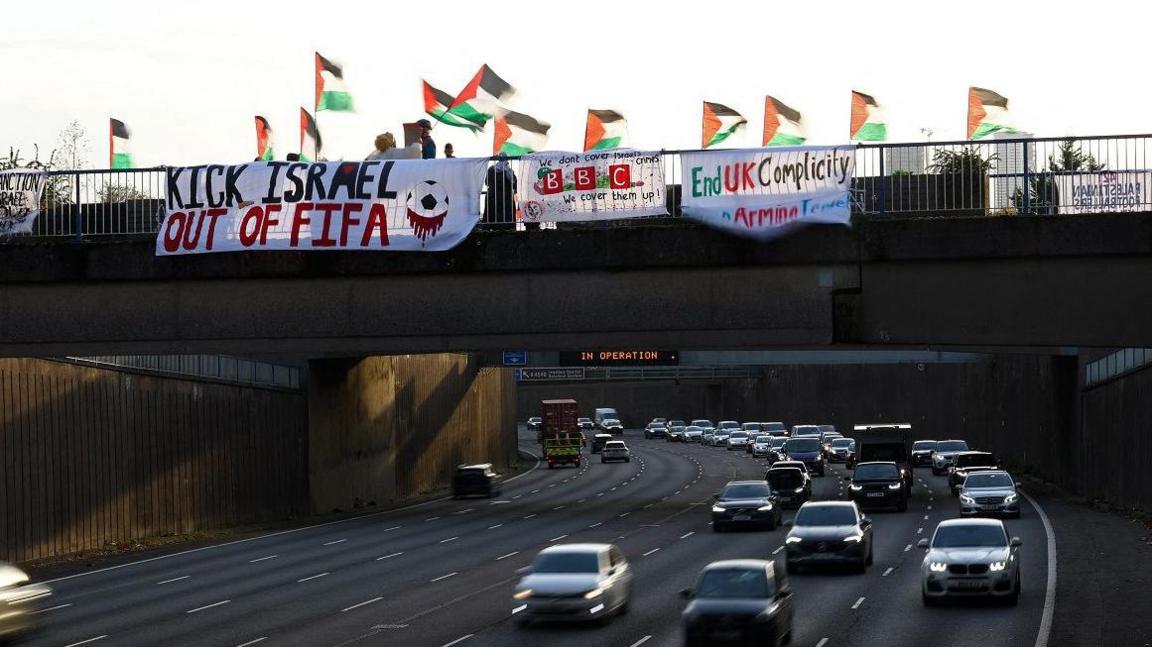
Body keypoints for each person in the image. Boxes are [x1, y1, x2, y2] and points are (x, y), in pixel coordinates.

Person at [483, 153, 517, 231]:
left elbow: (486, 182)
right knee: (506, 220)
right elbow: (514, 183)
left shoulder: (492, 169)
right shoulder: (509, 171)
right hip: (506, 197)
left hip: (493, 197)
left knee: (492, 218)